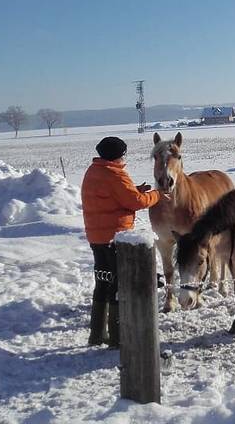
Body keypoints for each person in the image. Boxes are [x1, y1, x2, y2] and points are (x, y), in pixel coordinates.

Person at [81, 136, 165, 348]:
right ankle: (118, 337)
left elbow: (110, 195)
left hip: (96, 237)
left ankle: (97, 333)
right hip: (114, 236)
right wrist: (157, 195)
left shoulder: (94, 171)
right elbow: (135, 202)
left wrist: (135, 188)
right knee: (118, 284)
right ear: (119, 155)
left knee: (102, 281)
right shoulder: (115, 174)